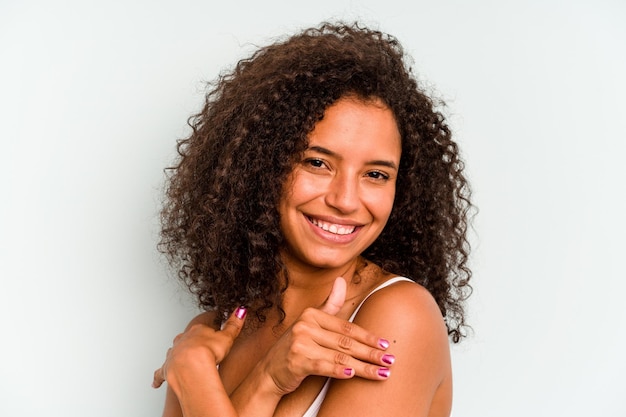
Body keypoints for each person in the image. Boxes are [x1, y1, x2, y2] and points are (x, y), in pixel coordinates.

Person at [152, 21, 472, 417]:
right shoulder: (212, 334)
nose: (345, 200)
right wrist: (264, 382)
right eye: (317, 163)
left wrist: (197, 379)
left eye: (376, 174)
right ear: (262, 166)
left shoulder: (399, 316)